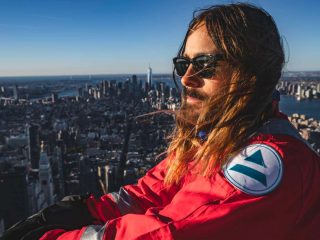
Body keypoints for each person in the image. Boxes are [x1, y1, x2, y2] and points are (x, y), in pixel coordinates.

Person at [2, 3, 320, 240]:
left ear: (251, 74)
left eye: (206, 65)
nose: (187, 79)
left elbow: (169, 233)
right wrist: (88, 210)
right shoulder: (217, 138)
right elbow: (154, 189)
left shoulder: (271, 166)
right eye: (183, 64)